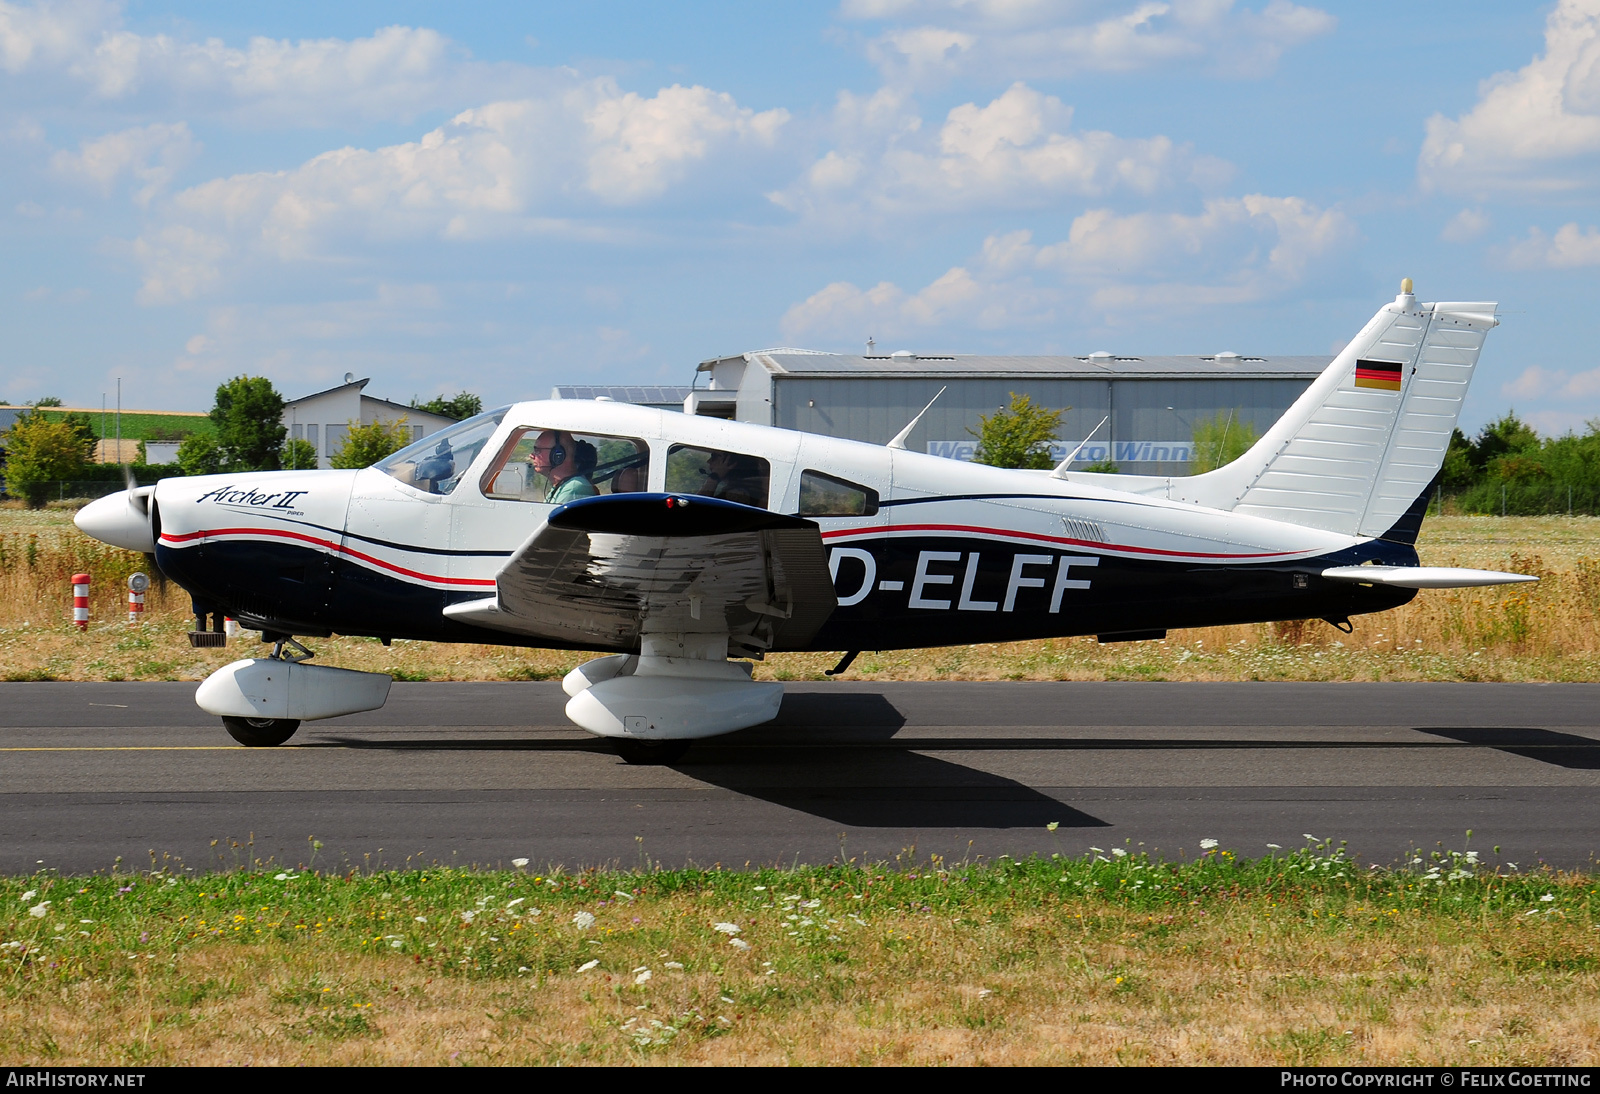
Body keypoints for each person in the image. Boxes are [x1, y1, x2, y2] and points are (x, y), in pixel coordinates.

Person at [527, 429, 597, 504]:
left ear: (558, 455)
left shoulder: (573, 488)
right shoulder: (563, 486)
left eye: (537, 450)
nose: (531, 455)